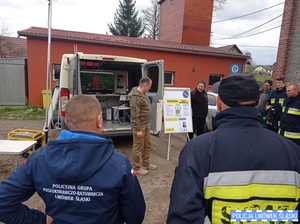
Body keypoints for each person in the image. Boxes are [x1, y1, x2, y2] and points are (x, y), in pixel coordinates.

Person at [167, 74, 300, 223]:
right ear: (256, 103)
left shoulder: (198, 150)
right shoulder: (293, 151)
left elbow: (183, 215)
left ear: (218, 103)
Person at [0, 95, 146, 224]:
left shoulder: (38, 160)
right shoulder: (119, 164)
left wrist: (39, 220)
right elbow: (135, 216)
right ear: (99, 121)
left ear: (67, 122)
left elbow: (3, 203)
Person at [129, 77, 157, 176]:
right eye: (149, 86)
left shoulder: (143, 94)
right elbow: (134, 115)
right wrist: (137, 130)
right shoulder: (135, 97)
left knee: (147, 145)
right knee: (138, 147)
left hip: (146, 124)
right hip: (140, 126)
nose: (149, 88)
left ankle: (146, 163)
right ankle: (137, 167)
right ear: (145, 85)